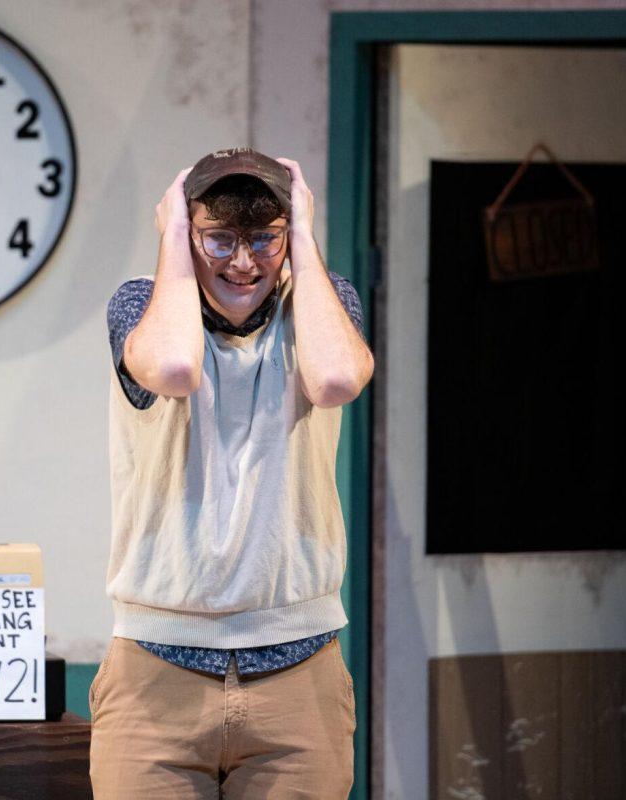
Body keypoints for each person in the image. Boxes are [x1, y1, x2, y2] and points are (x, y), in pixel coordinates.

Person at [91, 147, 375, 798]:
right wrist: (173, 237)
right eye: (220, 238)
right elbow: (175, 370)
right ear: (188, 231)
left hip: (298, 668)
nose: (243, 261)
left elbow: (334, 378)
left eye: (263, 239)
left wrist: (303, 233)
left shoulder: (326, 310)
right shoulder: (140, 306)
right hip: (154, 672)